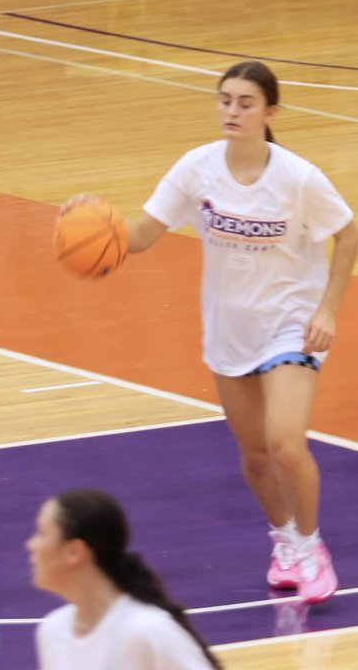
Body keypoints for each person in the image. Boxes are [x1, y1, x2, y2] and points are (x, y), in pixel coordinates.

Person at [62, 61, 357, 605]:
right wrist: (101, 226)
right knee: (255, 455)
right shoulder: (197, 169)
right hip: (230, 326)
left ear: (270, 112)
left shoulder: (298, 177)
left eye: (245, 103)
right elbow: (145, 232)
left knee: (286, 446)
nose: (232, 111)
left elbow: (348, 231)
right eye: (225, 100)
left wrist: (328, 311)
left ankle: (313, 548)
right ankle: (285, 542)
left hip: (290, 324)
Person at [28, 488, 221, 669]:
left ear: (74, 551)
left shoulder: (146, 632)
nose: (31, 545)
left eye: (42, 533)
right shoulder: (53, 632)